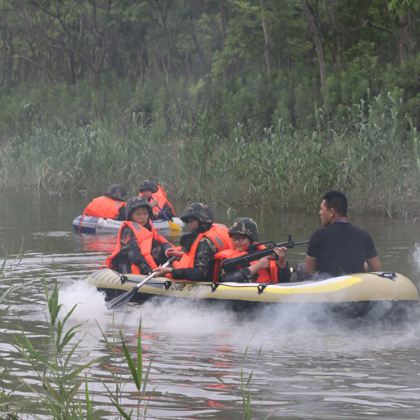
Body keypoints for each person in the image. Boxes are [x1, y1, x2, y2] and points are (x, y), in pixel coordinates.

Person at [304, 191, 381, 276]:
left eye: (322, 209)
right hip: (354, 285)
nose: (320, 213)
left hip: (327, 285)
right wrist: (362, 265)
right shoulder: (364, 235)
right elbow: (376, 269)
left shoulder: (317, 236)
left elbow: (308, 273)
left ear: (331, 212)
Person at [153, 203, 232, 281]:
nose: (189, 224)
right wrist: (181, 254)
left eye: (191, 221)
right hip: (223, 273)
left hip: (207, 281)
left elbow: (199, 274)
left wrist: (170, 271)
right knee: (164, 249)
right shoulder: (218, 229)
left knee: (160, 252)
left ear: (201, 221)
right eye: (188, 222)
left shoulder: (204, 242)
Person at [106, 197, 172, 274]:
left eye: (145, 214)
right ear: (131, 216)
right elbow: (132, 253)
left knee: (165, 246)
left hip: (146, 262)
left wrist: (168, 250)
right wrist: (145, 268)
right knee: (131, 253)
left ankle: (171, 269)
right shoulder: (128, 230)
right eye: (138, 214)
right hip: (130, 264)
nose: (142, 217)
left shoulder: (150, 228)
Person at [214, 217, 291, 283]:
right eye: (234, 239)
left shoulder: (265, 252)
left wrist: (281, 262)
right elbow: (225, 280)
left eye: (241, 239)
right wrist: (257, 266)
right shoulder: (228, 259)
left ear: (251, 240)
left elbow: (285, 280)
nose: (237, 242)